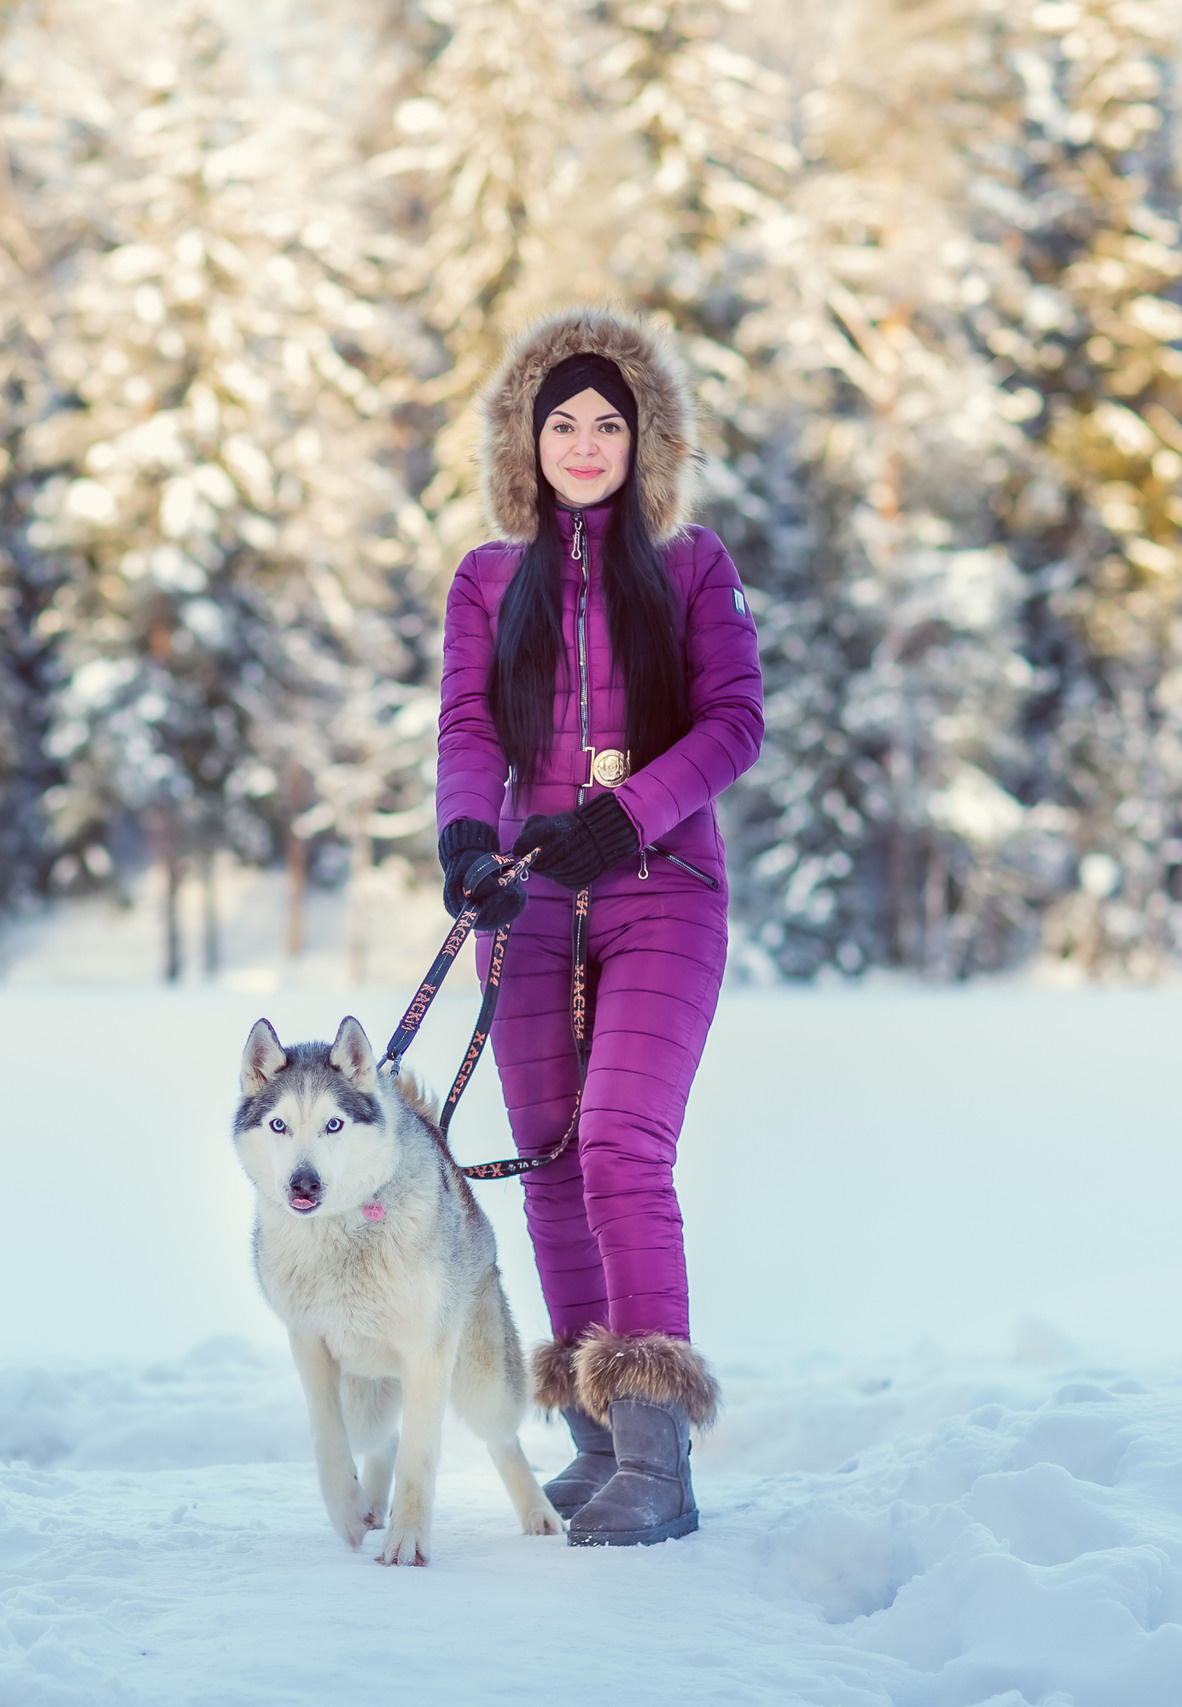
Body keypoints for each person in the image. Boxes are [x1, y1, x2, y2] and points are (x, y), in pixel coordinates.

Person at [433, 307, 764, 1546]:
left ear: (644, 440)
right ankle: (592, 1442)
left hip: (661, 884)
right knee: (549, 1164)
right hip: (526, 897)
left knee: (622, 1145)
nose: (582, 442)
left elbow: (734, 722)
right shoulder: (485, 578)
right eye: (560, 421)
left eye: (606, 422)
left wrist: (623, 819)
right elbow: (468, 729)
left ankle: (658, 1459)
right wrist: (469, 842)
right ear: (525, 438)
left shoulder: (692, 564)